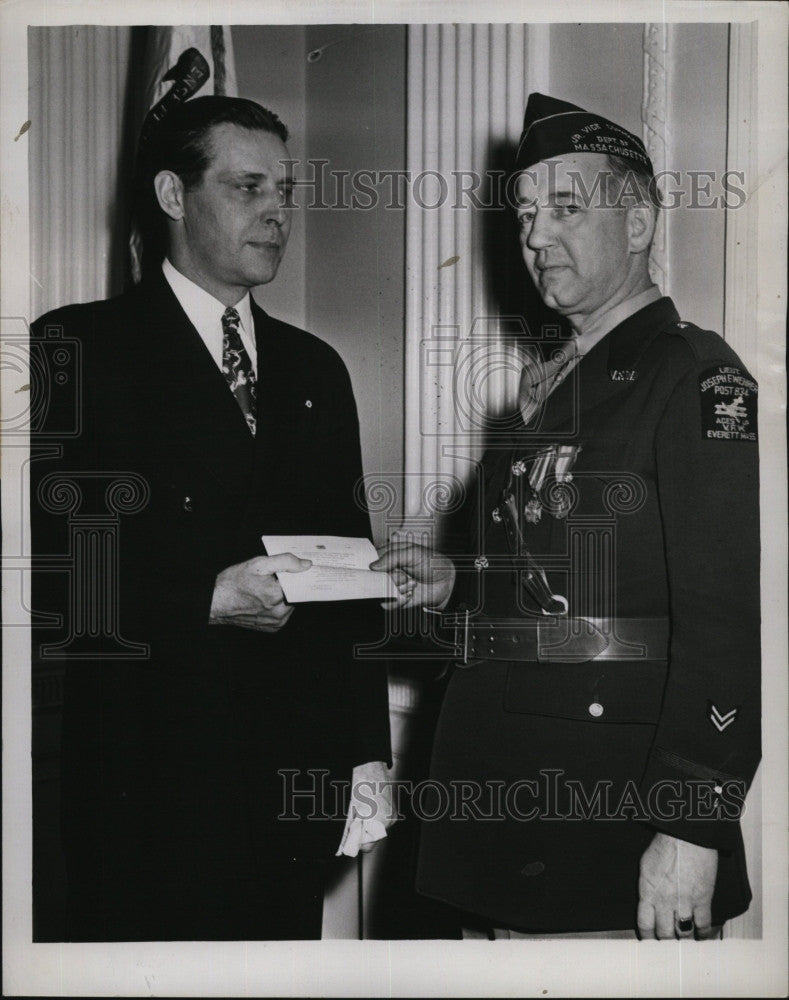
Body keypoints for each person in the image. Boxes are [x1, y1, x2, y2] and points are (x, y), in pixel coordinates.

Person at [372, 93, 760, 940]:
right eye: (523, 214)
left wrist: (692, 823)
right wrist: (457, 584)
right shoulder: (552, 385)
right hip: (503, 803)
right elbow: (557, 582)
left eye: (565, 208)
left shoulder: (690, 376)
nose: (535, 236)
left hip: (608, 821)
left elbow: (721, 619)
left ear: (638, 223)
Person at [31, 95, 391, 941]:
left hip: (288, 789)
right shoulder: (77, 350)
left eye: (286, 191)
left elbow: (350, 571)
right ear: (169, 195)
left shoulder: (315, 367)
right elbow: (48, 568)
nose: (277, 212)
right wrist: (200, 597)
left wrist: (364, 752)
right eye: (246, 187)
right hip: (145, 781)